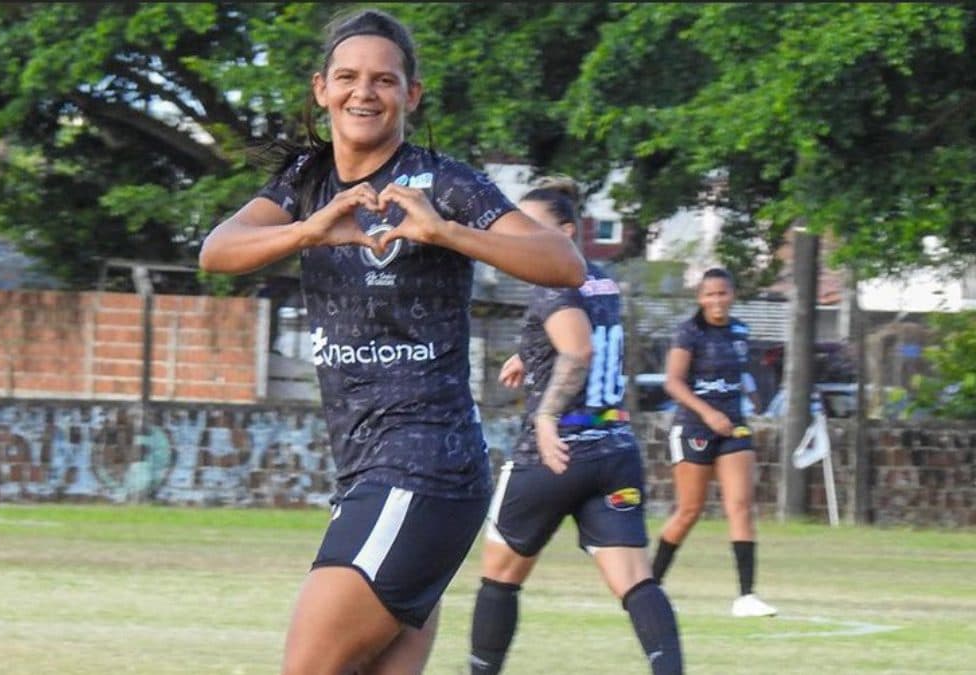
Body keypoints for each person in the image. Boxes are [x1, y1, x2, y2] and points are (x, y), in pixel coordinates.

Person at [198, 9, 586, 674]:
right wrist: (309, 231)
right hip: (373, 471)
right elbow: (218, 251)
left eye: (384, 79)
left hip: (421, 466)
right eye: (347, 77)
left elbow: (563, 263)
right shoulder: (306, 182)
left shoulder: (446, 183)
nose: (364, 92)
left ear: (411, 95)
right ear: (321, 89)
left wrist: (448, 234)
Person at [469, 180, 683, 675]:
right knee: (635, 580)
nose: (520, 237)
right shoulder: (603, 280)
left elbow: (579, 349)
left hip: (552, 455)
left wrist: (546, 414)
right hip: (613, 452)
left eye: (532, 228)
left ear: (567, 232)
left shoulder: (552, 284)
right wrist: (531, 352)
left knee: (499, 576)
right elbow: (588, 334)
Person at [651, 267, 778, 618]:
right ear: (700, 298)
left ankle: (746, 596)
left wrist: (746, 400)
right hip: (695, 427)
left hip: (733, 428)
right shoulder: (688, 332)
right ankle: (650, 586)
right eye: (710, 294)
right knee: (689, 510)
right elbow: (673, 383)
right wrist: (708, 414)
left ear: (732, 295)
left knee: (740, 506)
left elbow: (739, 375)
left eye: (723, 293)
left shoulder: (740, 332)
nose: (717, 300)